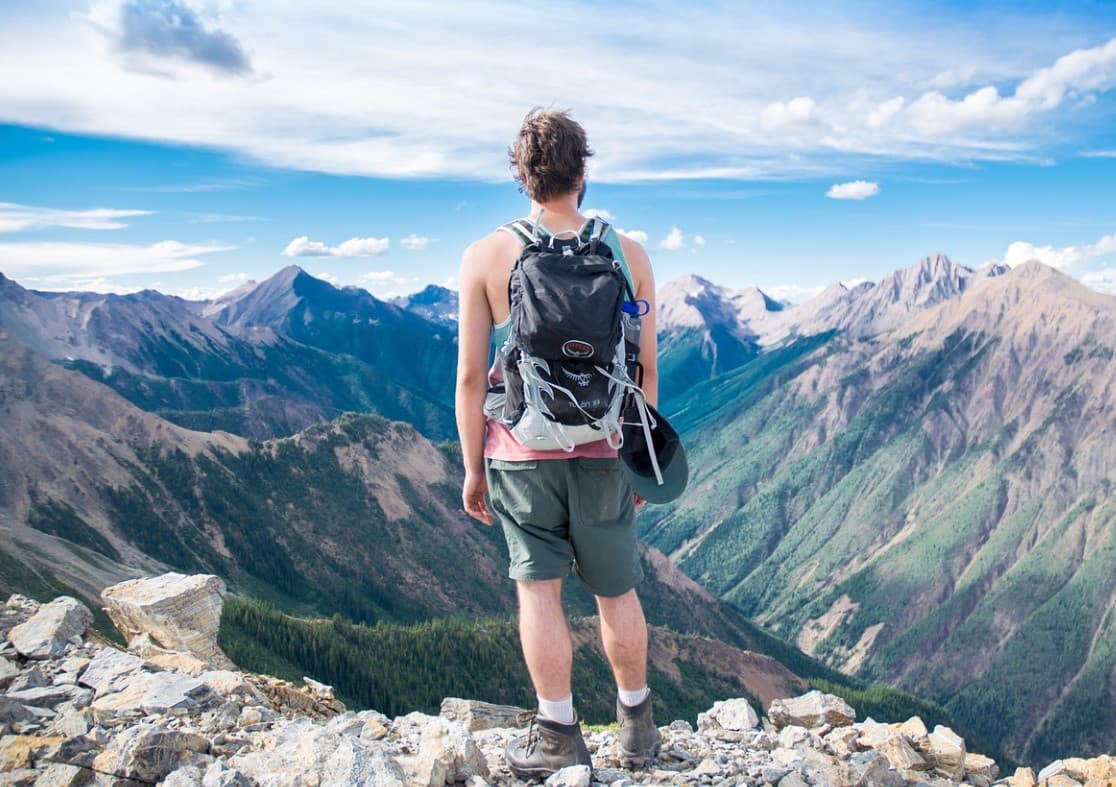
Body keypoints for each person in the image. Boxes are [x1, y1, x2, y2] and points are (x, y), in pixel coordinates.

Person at [455, 107, 662, 777]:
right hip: (606, 449)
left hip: (519, 453)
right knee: (617, 591)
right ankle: (636, 728)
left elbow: (467, 375)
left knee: (538, 594)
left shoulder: (486, 256)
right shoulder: (627, 254)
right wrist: (643, 459)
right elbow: (645, 369)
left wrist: (472, 469)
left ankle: (557, 733)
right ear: (582, 168)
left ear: (521, 175)